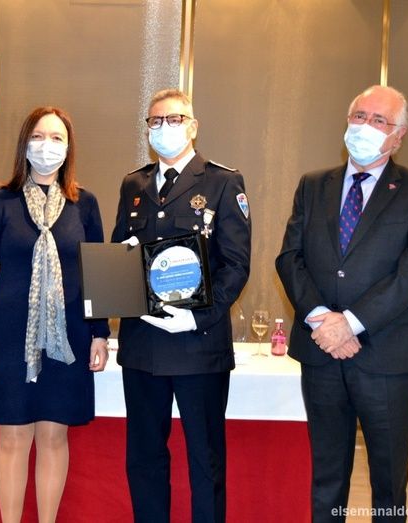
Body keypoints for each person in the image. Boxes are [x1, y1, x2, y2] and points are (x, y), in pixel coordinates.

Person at [275, 85, 408, 522]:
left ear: (399, 136)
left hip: (387, 357)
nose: (366, 126)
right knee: (327, 479)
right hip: (321, 355)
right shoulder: (314, 185)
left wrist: (350, 323)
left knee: (388, 481)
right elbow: (290, 258)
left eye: (379, 120)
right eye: (360, 116)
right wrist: (320, 320)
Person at [111, 89, 251, 522]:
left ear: (193, 127)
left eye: (174, 119)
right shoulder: (133, 184)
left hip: (199, 346)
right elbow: (119, 256)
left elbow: (236, 265)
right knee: (144, 459)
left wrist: (197, 317)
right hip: (142, 346)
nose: (164, 128)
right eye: (155, 121)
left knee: (205, 461)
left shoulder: (223, 182)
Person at [0, 106, 110, 523]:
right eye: (38, 137)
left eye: (57, 138)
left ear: (69, 148)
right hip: (9, 339)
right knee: (13, 438)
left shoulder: (85, 204)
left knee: (53, 436)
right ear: (24, 144)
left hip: (68, 339)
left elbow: (98, 273)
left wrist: (100, 333)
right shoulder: (2, 202)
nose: (47, 146)